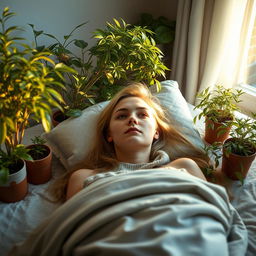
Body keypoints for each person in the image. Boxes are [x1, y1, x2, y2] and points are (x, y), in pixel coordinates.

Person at [49, 82, 209, 203]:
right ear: (109, 134)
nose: (132, 119)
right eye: (122, 116)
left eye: (142, 115)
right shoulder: (83, 178)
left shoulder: (185, 167)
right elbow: (72, 231)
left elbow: (216, 214)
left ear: (156, 132)